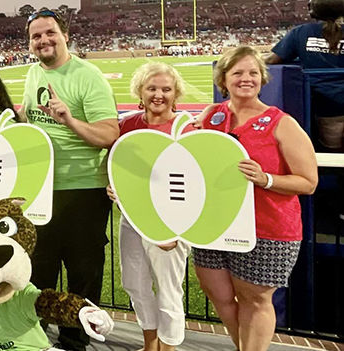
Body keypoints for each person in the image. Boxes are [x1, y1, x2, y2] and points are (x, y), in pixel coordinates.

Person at [194, 46, 317, 351]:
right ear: (223, 79)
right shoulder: (212, 117)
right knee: (220, 295)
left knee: (256, 300)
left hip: (269, 226)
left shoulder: (281, 123)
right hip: (216, 223)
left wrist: (266, 179)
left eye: (252, 72)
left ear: (263, 79)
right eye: (237, 72)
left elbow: (308, 181)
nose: (245, 79)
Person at [20, 8, 120, 351]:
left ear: (65, 36)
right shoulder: (33, 73)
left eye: (50, 33)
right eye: (36, 36)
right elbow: (29, 116)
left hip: (83, 191)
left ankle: (75, 341)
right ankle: (35, 337)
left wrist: (70, 121)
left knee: (83, 272)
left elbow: (109, 133)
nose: (43, 40)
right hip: (41, 189)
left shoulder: (87, 75)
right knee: (37, 269)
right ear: (30, 43)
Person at [107, 62, 192, 351]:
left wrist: (180, 229)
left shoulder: (187, 128)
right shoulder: (127, 124)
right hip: (132, 215)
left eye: (166, 89)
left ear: (176, 93)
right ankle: (150, 344)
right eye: (152, 88)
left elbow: (196, 182)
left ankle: (168, 349)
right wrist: (113, 183)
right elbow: (117, 163)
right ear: (140, 92)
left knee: (169, 289)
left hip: (170, 219)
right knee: (134, 282)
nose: (159, 95)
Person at [266, 0, 344, 150]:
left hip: (322, 102)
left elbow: (272, 60)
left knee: (331, 148)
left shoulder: (301, 32)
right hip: (330, 103)